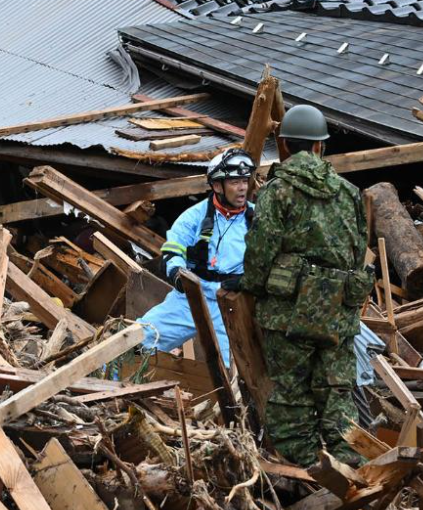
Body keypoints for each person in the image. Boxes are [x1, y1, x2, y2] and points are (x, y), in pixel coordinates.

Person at [240, 105, 373, 467]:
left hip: (289, 316)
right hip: (337, 314)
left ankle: (304, 470)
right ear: (319, 147)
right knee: (337, 392)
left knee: (291, 395)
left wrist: (250, 286)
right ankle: (350, 468)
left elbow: (260, 251)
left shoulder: (276, 192)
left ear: (283, 145)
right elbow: (357, 251)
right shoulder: (349, 193)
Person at [139, 148, 255, 367]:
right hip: (191, 297)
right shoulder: (194, 216)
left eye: (245, 181)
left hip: (232, 302)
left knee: (233, 368)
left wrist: (247, 282)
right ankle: (108, 389)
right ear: (218, 186)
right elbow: (173, 249)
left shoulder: (258, 219)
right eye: (235, 182)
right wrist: (177, 273)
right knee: (139, 338)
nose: (242, 188)